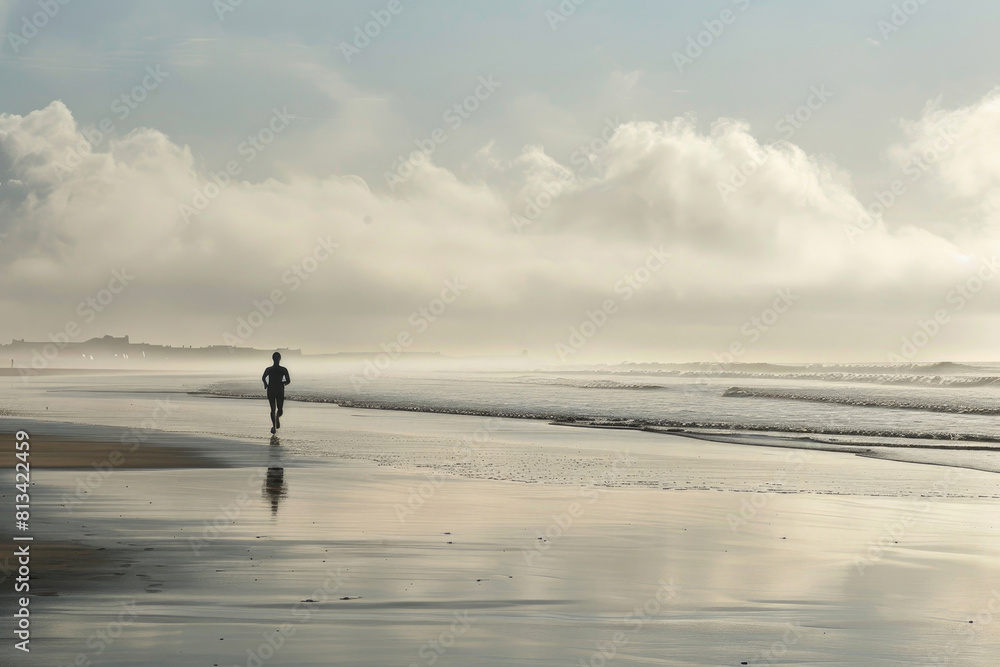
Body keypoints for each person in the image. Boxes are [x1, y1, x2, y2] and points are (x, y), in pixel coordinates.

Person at [262, 352, 291, 434]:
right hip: (274, 390)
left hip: (277, 390)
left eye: (277, 358)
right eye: (276, 358)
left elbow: (288, 380)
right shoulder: (269, 369)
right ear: (274, 359)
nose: (276, 360)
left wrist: (282, 383)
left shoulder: (282, 369)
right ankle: (274, 426)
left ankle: (277, 418)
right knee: (273, 409)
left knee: (280, 410)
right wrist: (266, 384)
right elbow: (263, 378)